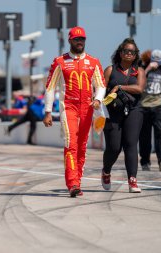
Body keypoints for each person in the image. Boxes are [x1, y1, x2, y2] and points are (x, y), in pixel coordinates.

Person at [43, 26, 106, 197]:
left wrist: (98, 99)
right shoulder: (60, 62)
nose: (80, 42)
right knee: (71, 143)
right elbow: (50, 88)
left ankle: (77, 181)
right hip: (68, 107)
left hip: (88, 108)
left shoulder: (93, 62)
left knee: (82, 146)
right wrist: (48, 111)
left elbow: (101, 85)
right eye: (77, 39)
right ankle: (72, 183)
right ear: (70, 40)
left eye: (82, 39)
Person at [100, 38, 145, 193]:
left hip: (134, 110)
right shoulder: (110, 70)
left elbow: (139, 89)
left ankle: (132, 180)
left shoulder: (139, 71)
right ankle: (106, 171)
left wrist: (119, 87)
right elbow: (101, 90)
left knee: (131, 144)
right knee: (113, 148)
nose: (128, 54)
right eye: (125, 51)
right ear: (120, 53)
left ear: (135, 55)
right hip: (112, 113)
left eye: (132, 52)